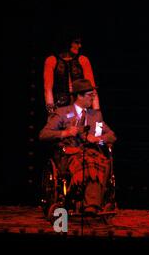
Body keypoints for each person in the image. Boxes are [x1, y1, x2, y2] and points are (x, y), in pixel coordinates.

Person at [39, 79, 116, 215]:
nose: (93, 97)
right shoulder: (62, 113)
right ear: (79, 96)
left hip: (91, 153)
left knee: (97, 162)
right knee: (87, 163)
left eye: (93, 95)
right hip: (69, 155)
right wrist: (65, 133)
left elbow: (111, 136)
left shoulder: (95, 116)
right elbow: (44, 134)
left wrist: (98, 139)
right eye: (89, 95)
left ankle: (91, 205)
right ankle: (86, 203)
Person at [43, 35, 100, 114]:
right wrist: (51, 112)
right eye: (76, 42)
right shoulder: (52, 60)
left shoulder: (83, 60)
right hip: (60, 107)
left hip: (81, 106)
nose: (80, 46)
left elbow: (92, 88)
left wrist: (97, 112)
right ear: (67, 43)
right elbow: (48, 89)